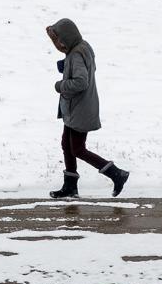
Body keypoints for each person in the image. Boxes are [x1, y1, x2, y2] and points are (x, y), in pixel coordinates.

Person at [46, 18, 130, 199]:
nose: (58, 44)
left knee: (77, 149)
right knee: (66, 145)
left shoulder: (76, 54)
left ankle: (116, 174)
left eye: (59, 41)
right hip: (74, 107)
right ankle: (70, 187)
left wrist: (61, 85)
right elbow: (88, 69)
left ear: (67, 39)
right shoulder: (82, 47)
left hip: (80, 108)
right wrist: (66, 65)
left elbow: (81, 82)